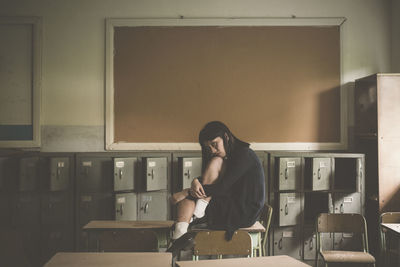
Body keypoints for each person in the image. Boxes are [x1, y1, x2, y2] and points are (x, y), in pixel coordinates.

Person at [170, 121, 266, 243]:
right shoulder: (231, 156)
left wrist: (186, 192)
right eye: (208, 147)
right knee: (191, 197)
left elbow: (222, 187)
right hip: (233, 204)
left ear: (226, 137)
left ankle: (180, 235)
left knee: (188, 198)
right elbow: (220, 182)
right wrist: (195, 181)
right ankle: (182, 232)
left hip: (243, 212)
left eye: (215, 144)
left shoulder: (244, 154)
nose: (213, 150)